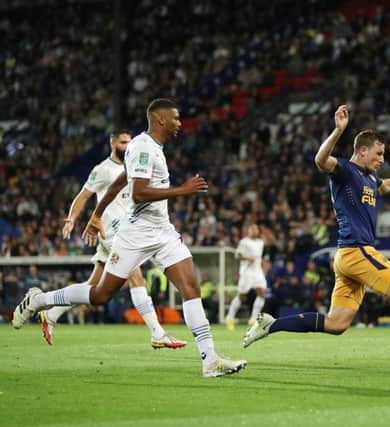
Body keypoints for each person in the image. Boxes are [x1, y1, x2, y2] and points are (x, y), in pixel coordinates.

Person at [13, 98, 246, 378]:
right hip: (135, 234)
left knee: (190, 287)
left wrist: (96, 214)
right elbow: (138, 193)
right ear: (160, 120)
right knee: (99, 294)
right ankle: (40, 301)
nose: (180, 124)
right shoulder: (144, 147)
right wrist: (182, 190)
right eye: (176, 119)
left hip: (163, 231)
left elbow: (120, 182)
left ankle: (210, 360)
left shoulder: (147, 147)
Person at [243, 105, 390, 373]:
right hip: (357, 251)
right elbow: (320, 160)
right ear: (362, 150)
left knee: (336, 324)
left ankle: (271, 324)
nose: (382, 158)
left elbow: (385, 186)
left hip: (346, 257)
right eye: (379, 153)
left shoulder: (370, 177)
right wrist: (338, 131)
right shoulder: (345, 170)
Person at [39, 129, 186, 349]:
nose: (127, 146)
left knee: (93, 286)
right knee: (137, 278)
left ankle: (51, 312)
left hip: (129, 230)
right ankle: (157, 332)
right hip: (111, 232)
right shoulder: (102, 170)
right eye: (123, 142)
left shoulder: (135, 168)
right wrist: (71, 218)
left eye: (129, 142)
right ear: (112, 143)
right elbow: (83, 196)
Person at [225, 223, 267, 330]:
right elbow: (237, 255)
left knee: (262, 293)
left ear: (258, 231)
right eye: (251, 229)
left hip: (257, 271)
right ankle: (230, 318)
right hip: (247, 272)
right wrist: (247, 258)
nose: (253, 230)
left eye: (255, 229)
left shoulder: (261, 242)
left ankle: (253, 319)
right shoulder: (244, 242)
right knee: (242, 295)